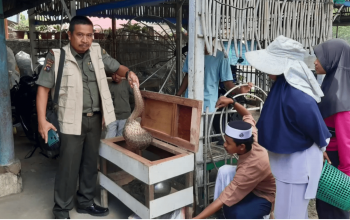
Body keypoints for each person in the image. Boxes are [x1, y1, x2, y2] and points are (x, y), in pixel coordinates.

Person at [36, 16, 139, 219]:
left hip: (96, 118)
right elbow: (43, 90)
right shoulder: (56, 56)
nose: (85, 40)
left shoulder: (98, 52)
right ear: (70, 35)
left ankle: (85, 202)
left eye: (89, 35)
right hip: (70, 120)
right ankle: (61, 209)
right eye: (80, 35)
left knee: (91, 163)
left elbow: (116, 67)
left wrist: (129, 73)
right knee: (68, 166)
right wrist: (42, 119)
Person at [244, 35, 331, 219]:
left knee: (290, 214)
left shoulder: (295, 94)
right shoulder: (285, 87)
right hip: (289, 165)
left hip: (298, 166)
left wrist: (322, 146)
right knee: (291, 212)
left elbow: (316, 127)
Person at [193, 97, 275, 219]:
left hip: (265, 195)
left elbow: (224, 197)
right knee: (224, 171)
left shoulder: (250, 167)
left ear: (241, 146)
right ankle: (221, 214)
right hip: (254, 183)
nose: (224, 145)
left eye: (228, 142)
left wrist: (196, 218)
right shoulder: (251, 135)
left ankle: (264, 216)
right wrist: (232, 102)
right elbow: (247, 114)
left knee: (235, 213)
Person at [314, 39, 350, 219]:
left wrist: (345, 177)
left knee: (334, 209)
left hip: (336, 161)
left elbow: (346, 140)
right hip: (328, 155)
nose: (315, 61)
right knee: (325, 207)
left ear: (333, 60)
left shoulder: (339, 97)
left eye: (320, 57)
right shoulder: (331, 85)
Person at [105, 74, 134, 138]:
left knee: (120, 138)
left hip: (125, 116)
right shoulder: (110, 86)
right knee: (109, 138)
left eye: (118, 74)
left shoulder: (127, 84)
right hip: (112, 116)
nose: (115, 76)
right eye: (113, 74)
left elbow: (136, 93)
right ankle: (108, 148)